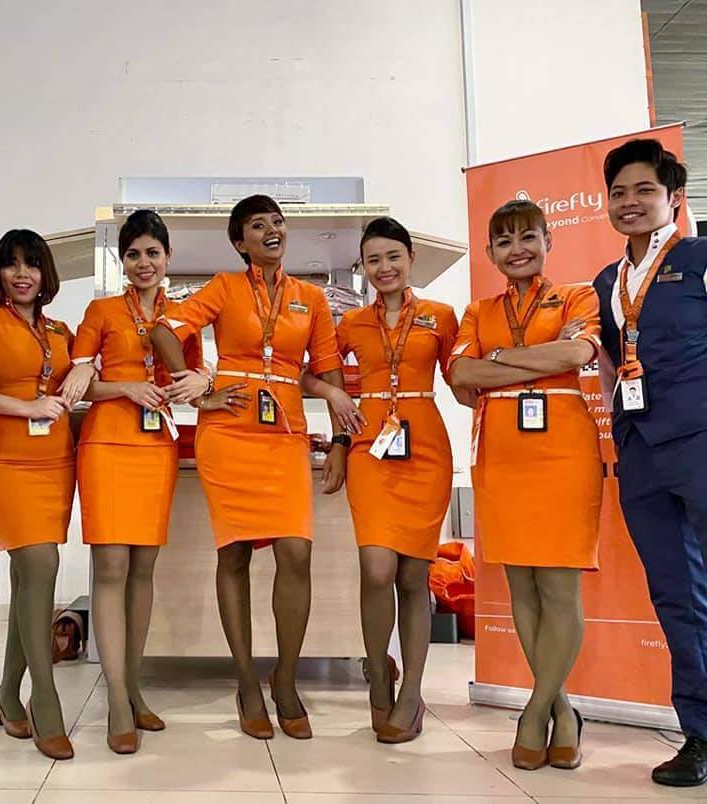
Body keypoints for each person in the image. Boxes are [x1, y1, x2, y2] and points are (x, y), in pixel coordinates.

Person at [150, 195, 347, 741]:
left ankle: (285, 681)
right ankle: (245, 681)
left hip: (284, 435)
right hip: (228, 433)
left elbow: (329, 373)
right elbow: (165, 331)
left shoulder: (312, 298)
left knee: (296, 551)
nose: (271, 230)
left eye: (277, 222)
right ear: (240, 241)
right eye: (257, 225)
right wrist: (196, 393)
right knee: (233, 552)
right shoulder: (223, 286)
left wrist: (341, 443)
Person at [70, 210, 236, 753]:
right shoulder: (100, 310)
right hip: (106, 445)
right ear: (124, 261)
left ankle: (133, 688)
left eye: (153, 254)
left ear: (168, 260)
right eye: (134, 254)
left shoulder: (183, 317)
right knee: (112, 567)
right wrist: (124, 389)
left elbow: (193, 379)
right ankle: (117, 698)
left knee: (144, 568)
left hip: (156, 447)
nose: (144, 263)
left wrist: (204, 380)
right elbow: (76, 387)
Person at [449, 199, 602, 771]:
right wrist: (542, 359)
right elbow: (462, 373)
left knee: (560, 589)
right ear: (490, 253)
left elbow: (580, 350)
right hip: (502, 459)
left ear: (547, 241)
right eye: (506, 241)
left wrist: (502, 358)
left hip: (563, 453)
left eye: (528, 237)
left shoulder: (579, 297)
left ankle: (534, 711)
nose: (518, 249)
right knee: (522, 590)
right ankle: (563, 709)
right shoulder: (477, 310)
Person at [303, 217, 464, 743]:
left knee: (414, 578)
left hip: (426, 452)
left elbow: (461, 381)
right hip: (371, 447)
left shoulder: (441, 317)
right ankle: (378, 676)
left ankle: (412, 693)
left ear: (410, 258)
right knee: (376, 568)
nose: (384, 268)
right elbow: (312, 372)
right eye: (373, 260)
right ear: (364, 267)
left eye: (393, 256)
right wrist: (336, 401)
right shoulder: (349, 324)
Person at [593, 139, 707, 788]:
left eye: (642, 190)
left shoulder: (698, 259)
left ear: (673, 199)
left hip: (700, 439)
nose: (629, 202)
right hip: (639, 452)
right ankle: (699, 733)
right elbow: (611, 361)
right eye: (618, 192)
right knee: (676, 596)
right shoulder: (606, 283)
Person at [0, 230, 92, 762]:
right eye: (11, 264)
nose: (22, 273)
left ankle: (8, 694)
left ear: (45, 272)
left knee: (29, 579)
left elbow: (86, 366)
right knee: (40, 561)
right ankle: (45, 699)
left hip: (55, 460)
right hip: (5, 458)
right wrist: (22, 406)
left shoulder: (60, 328)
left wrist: (84, 365)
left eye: (31, 264)